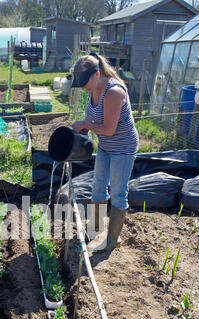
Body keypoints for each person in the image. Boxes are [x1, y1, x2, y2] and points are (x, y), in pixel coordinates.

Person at [70, 51, 139, 253]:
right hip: (105, 146)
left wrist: (86, 124)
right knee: (98, 187)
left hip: (123, 148)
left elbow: (109, 129)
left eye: (86, 83)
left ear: (97, 74)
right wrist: (85, 130)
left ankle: (111, 240)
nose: (84, 88)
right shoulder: (94, 89)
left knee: (118, 193)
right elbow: (92, 119)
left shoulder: (114, 92)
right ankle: (96, 229)